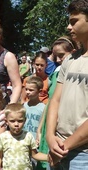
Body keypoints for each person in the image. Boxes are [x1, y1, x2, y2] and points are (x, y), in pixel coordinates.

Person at [46, 0, 88, 169]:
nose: (69, 28)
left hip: (83, 155)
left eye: (74, 22)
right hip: (57, 148)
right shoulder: (70, 59)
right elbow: (55, 100)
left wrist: (65, 146)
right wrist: (49, 137)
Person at [35, 36, 77, 170]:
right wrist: (40, 127)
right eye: (56, 56)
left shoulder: (76, 75)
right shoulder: (57, 74)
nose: (58, 60)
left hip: (62, 131)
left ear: (73, 52)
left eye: (62, 55)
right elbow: (50, 102)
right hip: (49, 126)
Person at [0, 103, 49, 170]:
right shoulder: (3, 137)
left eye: (20, 121)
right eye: (12, 121)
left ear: (25, 120)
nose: (16, 124)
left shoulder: (28, 136)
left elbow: (35, 155)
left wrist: (49, 157)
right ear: (6, 121)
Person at [23, 76, 45, 140]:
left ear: (39, 91)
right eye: (26, 89)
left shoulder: (43, 108)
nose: (27, 92)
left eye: (31, 90)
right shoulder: (23, 106)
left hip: (36, 142)